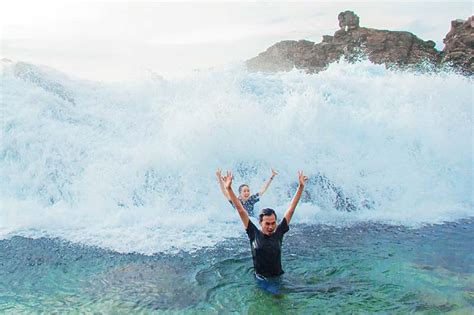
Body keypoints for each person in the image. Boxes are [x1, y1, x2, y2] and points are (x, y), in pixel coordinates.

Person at [220, 170, 307, 285]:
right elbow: (241, 210)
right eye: (267, 223)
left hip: (279, 277)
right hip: (261, 279)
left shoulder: (279, 232)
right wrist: (229, 189)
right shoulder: (253, 233)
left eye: (273, 223)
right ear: (260, 222)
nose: (271, 226)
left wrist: (300, 187)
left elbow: (291, 209)